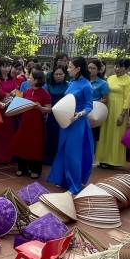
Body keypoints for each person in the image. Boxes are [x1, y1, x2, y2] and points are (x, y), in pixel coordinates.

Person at [47, 57, 95, 193]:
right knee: (62, 150)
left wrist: (78, 114)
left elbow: (89, 107)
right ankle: (63, 180)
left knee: (73, 153)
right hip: (66, 121)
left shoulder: (86, 85)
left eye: (69, 67)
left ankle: (74, 186)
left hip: (78, 123)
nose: (67, 69)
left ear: (78, 69)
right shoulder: (72, 83)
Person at [10, 69, 51, 178]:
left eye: (30, 77)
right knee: (22, 142)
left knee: (36, 144)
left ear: (37, 80)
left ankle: (35, 169)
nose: (28, 79)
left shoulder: (45, 94)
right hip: (25, 120)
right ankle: (22, 168)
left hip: (37, 122)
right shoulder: (27, 91)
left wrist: (40, 107)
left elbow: (48, 109)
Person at [97, 58, 130, 170]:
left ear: (127, 69)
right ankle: (103, 158)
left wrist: (123, 115)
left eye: (121, 67)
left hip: (119, 110)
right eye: (116, 66)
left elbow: (128, 100)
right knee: (105, 133)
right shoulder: (110, 78)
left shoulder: (129, 81)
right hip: (107, 108)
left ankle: (114, 160)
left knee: (116, 134)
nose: (117, 69)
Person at [0, 58, 19, 165]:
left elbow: (16, 92)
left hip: (10, 108)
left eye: (9, 66)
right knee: (0, 133)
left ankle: (8, 157)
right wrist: (10, 94)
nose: (7, 68)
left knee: (9, 132)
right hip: (0, 107)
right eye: (4, 66)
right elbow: (1, 93)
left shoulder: (12, 79)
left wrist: (10, 95)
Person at [43, 65, 68, 166]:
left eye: (60, 74)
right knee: (51, 135)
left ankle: (60, 158)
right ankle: (49, 158)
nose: (58, 76)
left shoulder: (69, 86)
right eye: (56, 74)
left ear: (64, 74)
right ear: (52, 75)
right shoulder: (49, 87)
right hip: (51, 115)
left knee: (61, 135)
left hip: (63, 114)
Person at [86, 59, 110, 145]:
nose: (91, 70)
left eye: (93, 68)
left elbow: (105, 99)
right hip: (81, 110)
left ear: (98, 70)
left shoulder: (103, 83)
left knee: (92, 136)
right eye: (89, 68)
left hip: (94, 112)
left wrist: (94, 103)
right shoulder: (82, 81)